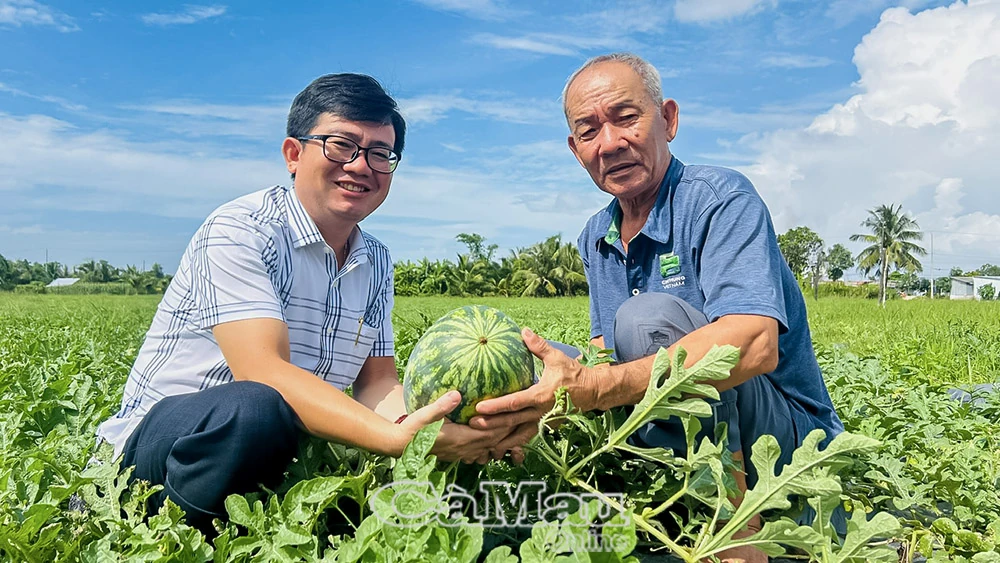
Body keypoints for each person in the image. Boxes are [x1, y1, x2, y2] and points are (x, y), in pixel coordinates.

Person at [471, 53, 845, 561]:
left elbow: (756, 344)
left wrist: (598, 388)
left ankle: (736, 534)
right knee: (524, 354)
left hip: (785, 448)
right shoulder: (595, 235)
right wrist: (544, 399)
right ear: (575, 149)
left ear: (667, 119)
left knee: (646, 317)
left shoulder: (720, 199)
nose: (610, 143)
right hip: (684, 440)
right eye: (588, 131)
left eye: (626, 118)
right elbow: (607, 355)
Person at [95, 73, 507, 533]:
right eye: (341, 145)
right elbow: (262, 371)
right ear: (294, 154)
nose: (360, 165)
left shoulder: (376, 259)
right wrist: (395, 440)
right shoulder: (242, 229)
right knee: (254, 407)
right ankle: (176, 533)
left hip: (277, 448)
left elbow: (377, 384)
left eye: (379, 154)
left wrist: (428, 425)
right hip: (160, 452)